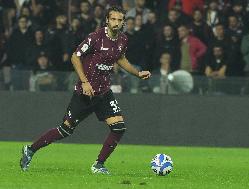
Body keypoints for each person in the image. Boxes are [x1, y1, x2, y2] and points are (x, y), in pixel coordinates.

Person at [20, 6, 151, 174]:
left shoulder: (123, 40)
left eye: (120, 20)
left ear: (123, 22)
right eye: (113, 19)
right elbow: (75, 57)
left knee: (119, 127)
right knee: (65, 130)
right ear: (107, 20)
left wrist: (138, 73)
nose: (116, 23)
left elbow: (121, 58)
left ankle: (99, 165)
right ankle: (30, 150)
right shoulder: (95, 37)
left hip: (103, 93)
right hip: (85, 93)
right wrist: (85, 82)